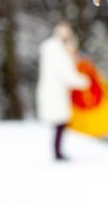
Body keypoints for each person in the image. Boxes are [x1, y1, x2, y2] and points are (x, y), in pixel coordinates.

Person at [36, 22, 89, 160]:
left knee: (59, 123)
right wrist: (85, 81)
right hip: (57, 94)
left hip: (50, 91)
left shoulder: (50, 51)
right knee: (60, 123)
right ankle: (58, 153)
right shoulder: (60, 54)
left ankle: (57, 151)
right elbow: (68, 76)